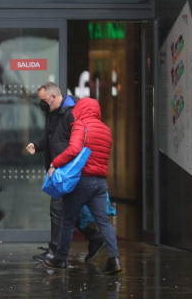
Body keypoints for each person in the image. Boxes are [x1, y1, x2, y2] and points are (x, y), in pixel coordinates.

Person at [25, 82, 105, 262]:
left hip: (67, 170)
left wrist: (64, 164)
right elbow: (51, 138)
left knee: (57, 209)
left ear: (53, 97)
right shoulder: (51, 112)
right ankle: (95, 238)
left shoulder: (72, 113)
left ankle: (54, 251)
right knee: (70, 211)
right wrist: (36, 146)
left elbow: (77, 143)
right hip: (59, 169)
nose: (42, 105)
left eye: (43, 100)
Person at [43, 97, 121, 274]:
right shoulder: (106, 130)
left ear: (81, 109)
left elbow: (73, 149)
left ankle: (61, 259)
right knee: (104, 222)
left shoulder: (81, 125)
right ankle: (114, 259)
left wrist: (55, 163)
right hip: (100, 182)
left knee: (68, 219)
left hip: (82, 180)